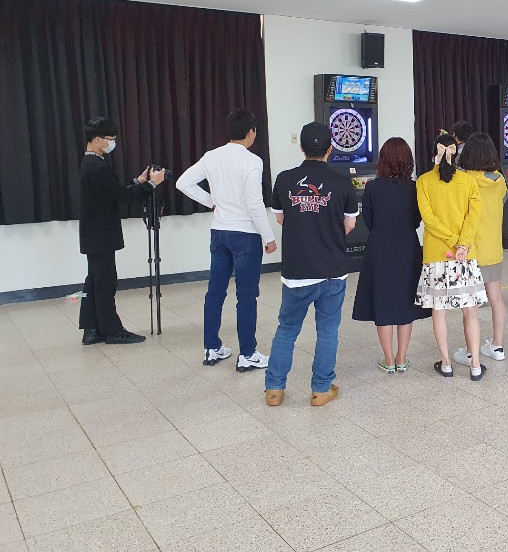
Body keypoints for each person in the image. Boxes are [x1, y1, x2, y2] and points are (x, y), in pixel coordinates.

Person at [264, 123, 359, 407]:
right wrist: (327, 234)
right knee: (327, 331)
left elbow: (281, 218)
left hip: (296, 272)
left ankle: (274, 389)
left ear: (302, 148)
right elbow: (350, 224)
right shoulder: (342, 182)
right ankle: (320, 389)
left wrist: (305, 228)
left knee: (286, 329)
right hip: (332, 271)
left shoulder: (284, 179)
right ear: (330, 149)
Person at [177, 109, 277, 370]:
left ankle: (212, 349)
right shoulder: (252, 161)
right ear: (251, 132)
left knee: (215, 292)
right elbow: (255, 203)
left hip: (219, 233)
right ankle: (247, 354)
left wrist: (212, 202)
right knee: (246, 296)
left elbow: (183, 183)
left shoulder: (212, 156)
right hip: (246, 235)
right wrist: (269, 237)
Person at [78, 117, 165, 345]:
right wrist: (151, 184)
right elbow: (122, 197)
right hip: (101, 235)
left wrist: (138, 181)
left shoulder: (91, 162)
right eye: (110, 139)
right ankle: (112, 331)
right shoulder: (97, 166)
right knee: (105, 283)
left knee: (95, 281)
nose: (112, 143)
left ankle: (91, 329)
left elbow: (111, 192)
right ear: (97, 139)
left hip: (93, 234)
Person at [416, 132, 488, 381]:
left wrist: (451, 241)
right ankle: (475, 365)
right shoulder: (469, 182)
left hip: (437, 256)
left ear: (433, 153)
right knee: (470, 311)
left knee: (439, 312)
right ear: (456, 154)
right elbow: (474, 217)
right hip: (464, 257)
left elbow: (428, 219)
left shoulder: (423, 181)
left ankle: (446, 364)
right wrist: (462, 244)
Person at [352, 137, 427, 373]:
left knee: (383, 303)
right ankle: (402, 357)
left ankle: (388, 360)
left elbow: (369, 220)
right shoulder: (414, 188)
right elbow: (417, 220)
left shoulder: (372, 187)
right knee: (406, 303)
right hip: (408, 248)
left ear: (382, 160)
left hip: (379, 249)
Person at [455, 132, 508, 364]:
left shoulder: (463, 180)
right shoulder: (499, 180)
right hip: (493, 247)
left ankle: (470, 351)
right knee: (496, 298)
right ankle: (497, 346)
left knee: (470, 305)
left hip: (469, 250)